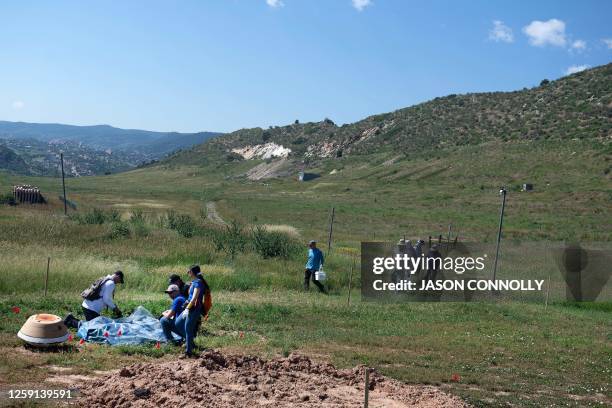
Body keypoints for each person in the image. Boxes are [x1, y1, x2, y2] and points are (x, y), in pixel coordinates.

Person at [173, 265, 208, 358]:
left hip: (194, 309)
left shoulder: (198, 283)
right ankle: (190, 342)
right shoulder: (194, 282)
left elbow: (194, 298)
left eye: (189, 271)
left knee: (188, 329)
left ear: (192, 272)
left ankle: (188, 352)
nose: (187, 273)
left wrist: (187, 309)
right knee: (178, 323)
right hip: (189, 307)